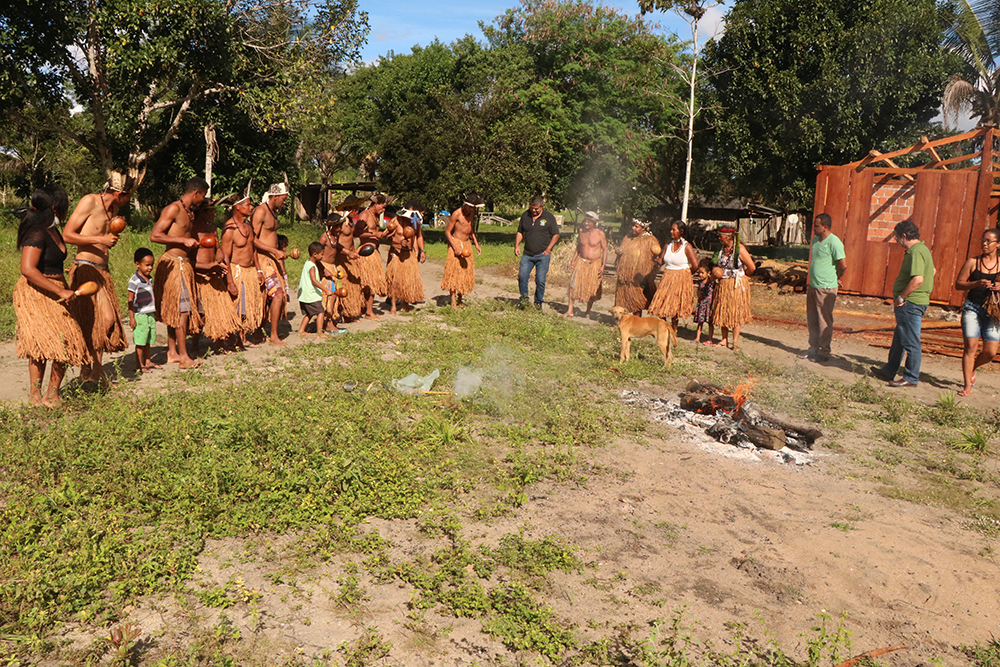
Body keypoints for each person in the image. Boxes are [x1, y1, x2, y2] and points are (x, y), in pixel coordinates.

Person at [14, 187, 90, 406]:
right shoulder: (37, 232)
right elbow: (27, 268)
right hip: (37, 291)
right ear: (56, 207)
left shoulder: (51, 229)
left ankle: (51, 394)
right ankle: (36, 396)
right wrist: (59, 290)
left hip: (56, 287)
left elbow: (52, 260)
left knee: (66, 341)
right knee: (43, 343)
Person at [62, 170, 133, 386]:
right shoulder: (90, 201)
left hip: (103, 271)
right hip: (85, 268)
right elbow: (67, 234)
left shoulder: (115, 209)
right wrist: (99, 239)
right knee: (96, 319)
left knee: (103, 320)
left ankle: (97, 370)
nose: (130, 200)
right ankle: (86, 367)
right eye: (130, 195)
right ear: (120, 192)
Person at [150, 176, 207, 369]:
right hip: (174, 264)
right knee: (182, 311)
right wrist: (183, 241)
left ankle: (172, 352)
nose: (202, 201)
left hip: (184, 265)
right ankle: (184, 357)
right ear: (196, 193)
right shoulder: (173, 208)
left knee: (176, 310)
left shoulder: (189, 212)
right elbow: (155, 235)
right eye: (202, 197)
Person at [871, 220, 934, 388]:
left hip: (911, 303)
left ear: (904, 236)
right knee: (900, 338)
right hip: (914, 301)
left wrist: (901, 297)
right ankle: (889, 370)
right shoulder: (923, 250)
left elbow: (918, 279)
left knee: (911, 340)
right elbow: (932, 271)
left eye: (897, 237)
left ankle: (911, 377)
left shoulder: (916, 252)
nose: (896, 241)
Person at [953, 228, 1000, 396]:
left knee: (990, 352)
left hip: (993, 311)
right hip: (972, 307)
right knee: (970, 347)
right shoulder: (973, 262)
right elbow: (959, 284)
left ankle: (972, 368)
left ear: (998, 244)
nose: (985, 243)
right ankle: (967, 386)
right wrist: (976, 284)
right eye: (983, 240)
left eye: (989, 241)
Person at [192, 202, 241, 351]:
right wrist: (207, 266)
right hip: (200, 278)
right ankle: (195, 347)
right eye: (211, 212)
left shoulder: (213, 230)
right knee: (200, 315)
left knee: (221, 311)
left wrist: (220, 260)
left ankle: (221, 344)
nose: (214, 214)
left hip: (215, 277)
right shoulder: (192, 231)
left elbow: (219, 250)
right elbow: (189, 260)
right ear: (202, 212)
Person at [802, 213, 847, 362]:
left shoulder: (834, 242)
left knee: (824, 320)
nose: (814, 228)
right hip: (814, 286)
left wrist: (838, 277)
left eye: (816, 225)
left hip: (826, 288)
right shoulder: (815, 240)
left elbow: (843, 265)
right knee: (813, 319)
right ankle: (813, 348)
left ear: (825, 227)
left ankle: (824, 352)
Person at [221, 193, 264, 348]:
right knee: (237, 307)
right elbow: (225, 256)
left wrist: (259, 271)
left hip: (250, 271)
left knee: (247, 308)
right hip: (236, 270)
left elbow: (253, 250)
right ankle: (231, 339)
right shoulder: (229, 229)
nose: (251, 207)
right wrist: (230, 281)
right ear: (237, 207)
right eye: (248, 205)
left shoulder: (248, 227)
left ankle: (243, 338)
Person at [253, 183, 290, 345]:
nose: (284, 202)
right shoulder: (260, 211)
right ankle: (273, 335)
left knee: (268, 298)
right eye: (283, 199)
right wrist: (272, 251)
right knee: (278, 294)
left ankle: (259, 332)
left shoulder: (272, 212)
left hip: (272, 260)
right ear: (274, 197)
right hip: (263, 259)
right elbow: (251, 239)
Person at [711, 224, 756, 351]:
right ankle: (724, 339)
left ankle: (734, 342)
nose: (719, 238)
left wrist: (743, 277)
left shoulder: (739, 250)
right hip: (723, 284)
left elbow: (752, 267)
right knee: (723, 311)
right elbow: (714, 264)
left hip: (736, 285)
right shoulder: (720, 250)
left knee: (735, 312)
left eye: (721, 236)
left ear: (729, 236)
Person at [649, 221, 699, 328]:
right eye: (671, 229)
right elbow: (661, 261)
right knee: (660, 303)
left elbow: (695, 265)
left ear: (681, 231)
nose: (671, 231)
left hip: (681, 277)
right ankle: (666, 326)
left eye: (674, 229)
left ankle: (674, 329)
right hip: (668, 276)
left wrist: (686, 275)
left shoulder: (687, 246)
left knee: (675, 305)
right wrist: (655, 259)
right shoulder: (668, 244)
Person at [514, 196, 560, 309]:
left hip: (542, 255)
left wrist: (549, 249)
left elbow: (556, 234)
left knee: (540, 280)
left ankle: (538, 302)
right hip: (527, 254)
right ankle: (524, 301)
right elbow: (520, 231)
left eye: (536, 209)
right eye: (532, 208)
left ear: (542, 207)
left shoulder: (549, 217)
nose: (534, 211)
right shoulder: (525, 215)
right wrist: (516, 246)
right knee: (522, 277)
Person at [320, 213, 363, 325]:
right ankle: (326, 323)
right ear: (332, 226)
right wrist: (323, 269)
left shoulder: (334, 236)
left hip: (333, 267)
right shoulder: (325, 237)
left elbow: (337, 246)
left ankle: (331, 320)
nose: (341, 229)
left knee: (335, 294)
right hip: (325, 267)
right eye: (339, 226)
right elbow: (316, 252)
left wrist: (349, 253)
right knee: (328, 295)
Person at [442, 194, 483, 308]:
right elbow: (447, 232)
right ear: (466, 204)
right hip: (456, 243)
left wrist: (476, 244)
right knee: (454, 273)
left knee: (464, 274)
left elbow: (471, 230)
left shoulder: (472, 213)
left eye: (474, 208)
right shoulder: (457, 214)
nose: (472, 209)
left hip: (467, 245)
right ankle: (452, 302)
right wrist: (455, 247)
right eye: (471, 207)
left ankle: (460, 300)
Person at [353, 193, 391, 319]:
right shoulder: (365, 215)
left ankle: (366, 309)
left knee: (372, 283)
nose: (383, 210)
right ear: (376, 204)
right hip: (366, 253)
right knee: (368, 282)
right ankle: (368, 311)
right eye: (383, 207)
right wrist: (374, 235)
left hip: (374, 252)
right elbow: (357, 232)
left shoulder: (374, 216)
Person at [565, 211, 607, 318]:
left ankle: (588, 311)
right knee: (573, 286)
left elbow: (605, 249)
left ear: (594, 223)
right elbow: (579, 247)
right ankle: (570, 310)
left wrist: (603, 265)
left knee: (592, 289)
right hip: (581, 262)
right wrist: (573, 261)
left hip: (595, 264)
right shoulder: (581, 232)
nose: (586, 224)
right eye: (585, 221)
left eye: (589, 222)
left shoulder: (600, 234)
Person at [127, 247, 162, 373]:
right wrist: (132, 317)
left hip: (149, 313)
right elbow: (130, 300)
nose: (150, 268)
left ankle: (148, 360)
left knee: (148, 339)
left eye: (151, 265)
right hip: (140, 315)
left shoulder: (149, 279)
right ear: (137, 264)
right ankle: (139, 364)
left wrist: (155, 312)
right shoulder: (134, 281)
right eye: (147, 265)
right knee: (140, 341)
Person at [614, 219, 659, 316]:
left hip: (638, 277)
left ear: (644, 228)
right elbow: (622, 248)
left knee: (636, 300)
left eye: (636, 226)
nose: (633, 228)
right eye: (633, 225)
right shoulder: (628, 237)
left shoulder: (650, 240)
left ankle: (636, 321)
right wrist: (618, 250)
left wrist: (655, 260)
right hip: (624, 276)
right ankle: (620, 320)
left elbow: (657, 255)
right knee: (621, 298)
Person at [385, 207, 424, 314]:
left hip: (409, 253)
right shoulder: (395, 221)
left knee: (408, 280)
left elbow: (418, 236)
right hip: (396, 253)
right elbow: (387, 237)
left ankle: (405, 305)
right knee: (395, 280)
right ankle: (393, 306)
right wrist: (398, 244)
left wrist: (422, 251)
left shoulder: (415, 222)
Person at [298, 241, 334, 337]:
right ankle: (319, 332)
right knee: (320, 311)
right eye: (321, 255)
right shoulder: (312, 266)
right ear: (315, 254)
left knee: (309, 314)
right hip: (311, 295)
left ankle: (301, 331)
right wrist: (325, 290)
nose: (322, 257)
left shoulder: (307, 263)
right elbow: (314, 281)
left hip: (305, 295)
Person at [693, 258, 716, 345]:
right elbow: (698, 292)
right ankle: (697, 337)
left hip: (709, 304)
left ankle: (710, 339)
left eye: (702, 273)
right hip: (702, 304)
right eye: (699, 273)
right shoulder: (700, 283)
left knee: (710, 323)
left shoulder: (711, 283)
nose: (700, 275)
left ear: (708, 273)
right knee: (700, 322)